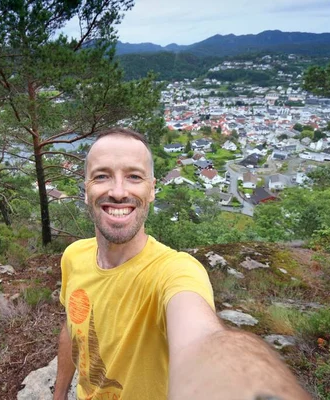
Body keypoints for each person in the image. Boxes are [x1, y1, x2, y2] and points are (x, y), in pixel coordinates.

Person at [54, 128, 310, 400]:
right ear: (86, 190)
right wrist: (59, 395)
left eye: (134, 177)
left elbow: (203, 338)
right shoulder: (74, 256)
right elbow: (73, 328)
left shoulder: (175, 271)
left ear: (151, 190)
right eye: (102, 176)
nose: (118, 192)